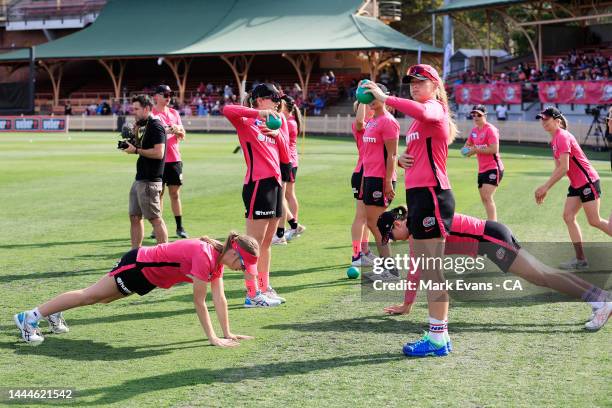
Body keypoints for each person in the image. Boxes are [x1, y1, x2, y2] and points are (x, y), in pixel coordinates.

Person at [377, 206, 611, 333]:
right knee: (544, 274)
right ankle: (601, 298)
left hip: (490, 239)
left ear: (398, 223)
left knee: (542, 276)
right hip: (492, 235)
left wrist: (407, 305)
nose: (394, 240)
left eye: (391, 235)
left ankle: (601, 302)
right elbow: (416, 269)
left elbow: (416, 269)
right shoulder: (418, 227)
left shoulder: (419, 230)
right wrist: (407, 304)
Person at [14, 232, 259, 346]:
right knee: (91, 296)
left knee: (100, 299)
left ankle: (54, 311)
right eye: (242, 263)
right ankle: (30, 317)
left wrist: (227, 333)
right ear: (233, 249)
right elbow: (200, 302)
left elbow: (220, 298)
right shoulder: (205, 256)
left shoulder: (217, 262)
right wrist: (213, 338)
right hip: (138, 266)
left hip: (147, 277)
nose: (242, 269)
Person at [363, 64, 457, 357]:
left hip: (432, 196)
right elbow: (425, 149)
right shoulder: (418, 122)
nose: (414, 87)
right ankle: (439, 333)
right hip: (419, 195)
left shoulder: (434, 109)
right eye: (411, 83)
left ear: (435, 86)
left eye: (420, 82)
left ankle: (438, 338)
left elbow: (428, 114)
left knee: (433, 271)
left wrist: (385, 98)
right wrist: (404, 159)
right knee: (425, 268)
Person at [222, 83, 287, 307]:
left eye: (279, 98)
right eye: (273, 98)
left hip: (275, 184)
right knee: (252, 244)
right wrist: (258, 113)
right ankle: (251, 294)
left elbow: (285, 155)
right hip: (258, 184)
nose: (278, 102)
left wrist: (278, 134)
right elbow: (227, 109)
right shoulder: (247, 121)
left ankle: (264, 287)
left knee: (268, 243)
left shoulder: (277, 122)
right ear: (259, 99)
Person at [534, 107, 611, 270]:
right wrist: (546, 187)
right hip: (577, 184)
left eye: (546, 119)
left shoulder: (562, 137)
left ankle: (581, 259)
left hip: (588, 182)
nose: (543, 122)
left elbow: (564, 168)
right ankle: (581, 259)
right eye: (542, 119)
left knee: (594, 221)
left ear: (557, 121)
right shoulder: (554, 140)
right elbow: (560, 168)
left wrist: (545, 187)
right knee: (568, 216)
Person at [354, 82, 399, 269]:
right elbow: (367, 156)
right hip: (370, 177)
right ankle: (387, 264)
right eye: (368, 97)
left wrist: (388, 181)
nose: (370, 100)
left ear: (383, 96)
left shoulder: (388, 121)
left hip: (382, 179)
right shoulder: (372, 122)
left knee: (378, 225)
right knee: (373, 224)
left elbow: (393, 155)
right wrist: (364, 180)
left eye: (373, 96)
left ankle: (389, 267)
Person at [121, 94, 169, 249]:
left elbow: (159, 153)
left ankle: (165, 254)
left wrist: (135, 150)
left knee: (155, 219)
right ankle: (135, 254)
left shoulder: (155, 125)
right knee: (134, 217)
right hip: (140, 178)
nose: (133, 112)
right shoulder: (145, 125)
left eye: (136, 109)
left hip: (150, 180)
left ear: (147, 109)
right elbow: (141, 147)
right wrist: (133, 137)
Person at [151, 85, 189, 240]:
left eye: (170, 94)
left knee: (175, 194)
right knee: (158, 195)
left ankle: (179, 227)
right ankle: (156, 227)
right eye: (165, 94)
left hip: (174, 159)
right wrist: (165, 131)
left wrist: (176, 129)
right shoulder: (152, 114)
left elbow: (183, 134)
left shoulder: (174, 113)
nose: (168, 97)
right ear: (156, 96)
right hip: (157, 160)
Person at [462, 104, 504, 221]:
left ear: (485, 116)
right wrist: (466, 151)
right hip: (482, 169)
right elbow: (466, 147)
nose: (475, 117)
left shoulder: (490, 130)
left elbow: (494, 149)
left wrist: (475, 150)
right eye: (473, 114)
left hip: (493, 167)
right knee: (484, 198)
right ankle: (492, 223)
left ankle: (493, 225)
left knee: (487, 196)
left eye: (478, 115)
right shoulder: (474, 131)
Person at [350, 101, 376, 267]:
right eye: (367, 105)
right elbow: (359, 121)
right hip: (362, 174)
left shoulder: (375, 124)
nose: (371, 107)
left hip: (372, 174)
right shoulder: (360, 125)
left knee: (368, 217)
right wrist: (363, 100)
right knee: (361, 216)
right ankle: (356, 254)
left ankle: (364, 251)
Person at [280, 95, 306, 242]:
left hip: (288, 161)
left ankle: (293, 225)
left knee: (286, 195)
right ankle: (294, 225)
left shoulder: (289, 122)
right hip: (291, 161)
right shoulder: (290, 121)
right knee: (288, 195)